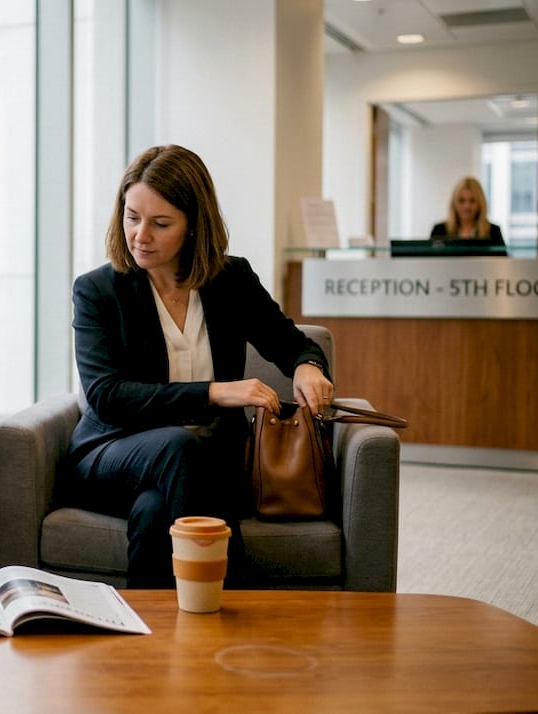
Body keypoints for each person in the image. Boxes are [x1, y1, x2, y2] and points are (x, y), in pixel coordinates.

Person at [62, 144, 335, 589]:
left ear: (194, 225)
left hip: (208, 464)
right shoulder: (98, 291)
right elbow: (107, 397)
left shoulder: (231, 281)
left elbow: (294, 344)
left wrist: (307, 366)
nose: (140, 235)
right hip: (111, 453)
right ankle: (238, 611)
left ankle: (149, 643)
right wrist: (216, 392)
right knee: (177, 447)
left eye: (160, 223)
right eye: (132, 217)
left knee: (154, 512)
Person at [430, 176, 505, 246]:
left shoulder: (493, 231)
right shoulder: (439, 231)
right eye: (461, 201)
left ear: (480, 204)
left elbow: (503, 259)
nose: (467, 206)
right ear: (454, 203)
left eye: (472, 201)